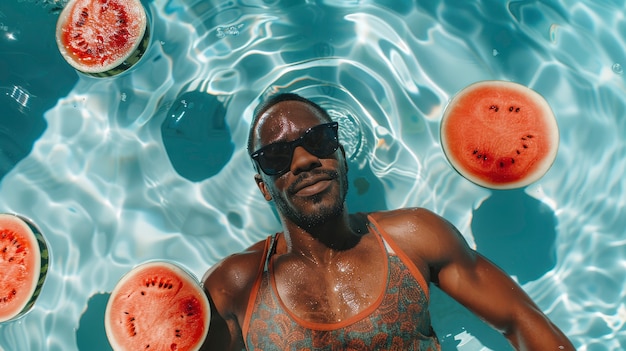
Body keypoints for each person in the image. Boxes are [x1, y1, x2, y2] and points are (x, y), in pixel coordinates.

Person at [200, 92, 575, 350]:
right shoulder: (232, 287)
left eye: (319, 140)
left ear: (341, 155)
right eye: (276, 156)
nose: (302, 161)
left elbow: (518, 318)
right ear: (264, 187)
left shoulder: (415, 237)